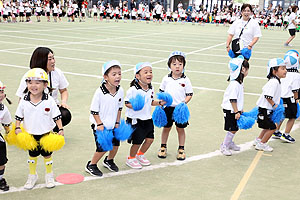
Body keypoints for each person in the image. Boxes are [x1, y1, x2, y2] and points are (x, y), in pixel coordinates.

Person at [15, 68, 64, 189]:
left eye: (37, 82)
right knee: (32, 156)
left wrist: (61, 129)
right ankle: (32, 175)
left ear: (45, 84)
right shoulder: (24, 100)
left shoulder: (50, 100)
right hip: (30, 135)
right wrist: (17, 127)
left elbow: (57, 116)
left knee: (47, 156)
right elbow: (19, 115)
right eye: (30, 82)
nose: (33, 85)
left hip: (46, 134)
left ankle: (49, 175)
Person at [16, 47, 71, 132]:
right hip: (34, 109)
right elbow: (21, 98)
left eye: (53, 58)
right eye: (50, 59)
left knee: (65, 114)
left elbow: (63, 90)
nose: (53, 61)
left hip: (50, 107)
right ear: (41, 60)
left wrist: (63, 102)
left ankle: (54, 129)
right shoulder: (29, 75)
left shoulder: (57, 72)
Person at [85, 60, 123, 176]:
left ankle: (109, 160)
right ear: (105, 77)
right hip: (100, 125)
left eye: (119, 74)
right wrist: (100, 124)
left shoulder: (120, 90)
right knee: (103, 147)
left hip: (113, 124)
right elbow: (94, 111)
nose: (117, 76)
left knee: (116, 145)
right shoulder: (99, 92)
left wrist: (117, 122)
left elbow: (119, 108)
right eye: (114, 74)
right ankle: (91, 164)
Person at [125, 62, 166, 169]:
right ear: (137, 76)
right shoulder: (133, 90)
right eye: (146, 72)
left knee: (150, 139)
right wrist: (134, 106)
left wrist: (159, 103)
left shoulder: (150, 88)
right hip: (136, 119)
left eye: (150, 72)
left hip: (147, 118)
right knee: (137, 142)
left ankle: (140, 155)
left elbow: (151, 102)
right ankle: (130, 158)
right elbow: (126, 103)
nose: (149, 74)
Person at [157, 51, 193, 160]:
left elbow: (189, 94)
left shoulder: (185, 80)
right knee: (166, 128)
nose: (177, 67)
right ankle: (163, 147)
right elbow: (161, 92)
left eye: (180, 64)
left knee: (180, 129)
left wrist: (184, 103)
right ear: (169, 66)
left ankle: (181, 149)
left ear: (183, 66)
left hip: (179, 110)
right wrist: (161, 103)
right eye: (174, 64)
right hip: (167, 108)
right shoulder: (166, 79)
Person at [254, 58, 287, 152]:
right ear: (274, 70)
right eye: (283, 68)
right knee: (272, 127)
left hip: (266, 109)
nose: (285, 71)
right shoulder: (274, 82)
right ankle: (262, 144)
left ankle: (259, 140)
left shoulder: (276, 81)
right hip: (265, 109)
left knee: (266, 127)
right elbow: (268, 96)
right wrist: (274, 105)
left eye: (285, 68)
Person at [220, 56, 249, 156]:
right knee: (232, 128)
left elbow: (238, 98)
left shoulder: (239, 83)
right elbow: (232, 99)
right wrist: (236, 111)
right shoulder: (234, 84)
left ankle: (230, 143)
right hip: (230, 110)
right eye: (247, 69)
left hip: (234, 109)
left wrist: (240, 109)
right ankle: (224, 145)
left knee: (234, 128)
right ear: (243, 69)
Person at [273, 50, 300, 142]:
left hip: (280, 97)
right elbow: (295, 89)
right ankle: (286, 134)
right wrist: (296, 98)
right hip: (290, 98)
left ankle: (276, 131)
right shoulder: (296, 75)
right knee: (292, 116)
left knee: (282, 115)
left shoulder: (283, 72)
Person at [0, 81, 11, 191]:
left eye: (2, 92)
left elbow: (6, 124)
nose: (1, 95)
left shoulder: (3, 109)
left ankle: (0, 178)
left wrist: (9, 134)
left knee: (1, 160)